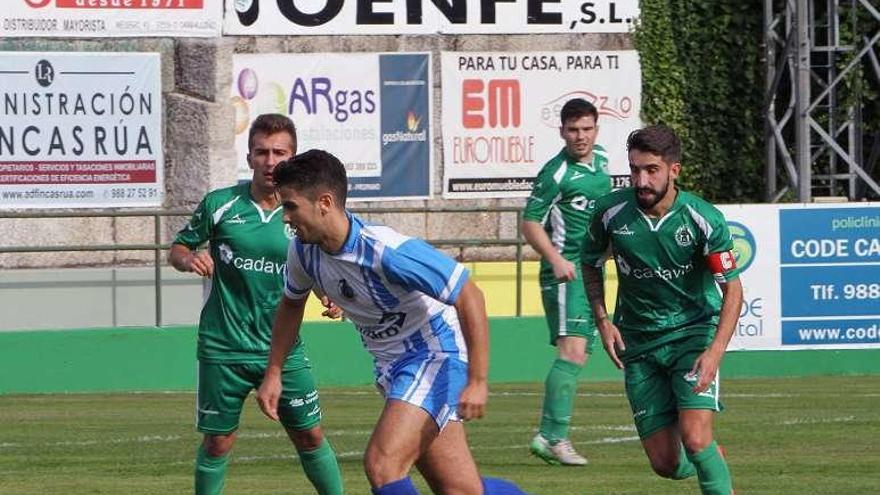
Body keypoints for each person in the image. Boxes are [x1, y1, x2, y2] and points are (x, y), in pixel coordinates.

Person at [256, 149, 529, 495]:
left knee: (383, 465)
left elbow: (468, 293)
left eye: (291, 206)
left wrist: (477, 380)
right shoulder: (303, 252)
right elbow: (291, 305)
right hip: (393, 365)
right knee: (460, 489)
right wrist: (274, 373)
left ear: (324, 202)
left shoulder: (385, 250)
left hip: (434, 354)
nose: (285, 218)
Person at [169, 114, 344, 495]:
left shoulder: (303, 211)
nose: (269, 160)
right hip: (224, 346)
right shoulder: (220, 204)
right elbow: (179, 248)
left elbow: (312, 267)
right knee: (218, 442)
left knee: (311, 436)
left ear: (292, 157)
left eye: (279, 152)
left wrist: (327, 294)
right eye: (261, 151)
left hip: (282, 349)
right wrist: (189, 259)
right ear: (248, 157)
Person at [581, 125, 742, 494]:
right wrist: (602, 320)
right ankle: (708, 457)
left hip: (692, 335)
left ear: (674, 170)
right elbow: (590, 263)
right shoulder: (611, 212)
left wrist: (715, 351)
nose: (641, 179)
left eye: (651, 169)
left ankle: (706, 455)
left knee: (696, 437)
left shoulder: (703, 219)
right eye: (635, 169)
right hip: (638, 344)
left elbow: (732, 288)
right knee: (666, 464)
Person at [520, 98, 611, 465]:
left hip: (591, 270)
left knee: (582, 353)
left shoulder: (603, 161)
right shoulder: (555, 173)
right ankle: (551, 437)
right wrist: (555, 259)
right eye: (573, 130)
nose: (580, 136)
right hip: (566, 272)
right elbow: (529, 222)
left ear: (596, 130)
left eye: (586, 129)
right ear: (562, 132)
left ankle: (553, 435)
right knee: (571, 351)